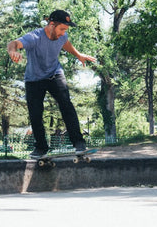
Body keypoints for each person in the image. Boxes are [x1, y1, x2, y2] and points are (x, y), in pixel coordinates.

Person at [7, 10, 96, 159]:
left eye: (65, 30)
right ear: (51, 24)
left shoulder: (62, 36)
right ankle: (41, 148)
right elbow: (14, 43)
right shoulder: (34, 37)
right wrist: (12, 52)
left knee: (66, 104)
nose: (63, 33)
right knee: (35, 113)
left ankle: (79, 143)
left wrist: (79, 55)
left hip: (54, 74)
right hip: (34, 79)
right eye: (61, 29)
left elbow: (66, 43)